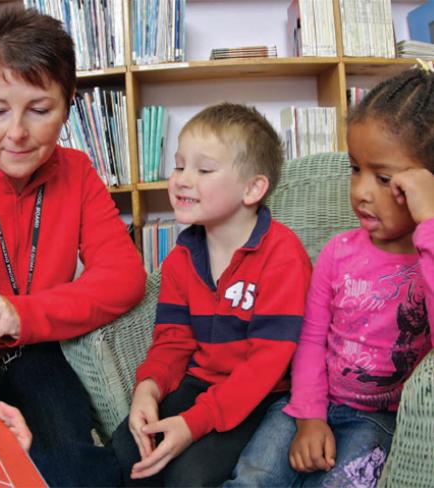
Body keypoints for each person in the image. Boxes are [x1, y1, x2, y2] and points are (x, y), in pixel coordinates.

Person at [0, 8, 146, 487]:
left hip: (36, 348)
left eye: (39, 110)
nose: (16, 132)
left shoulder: (76, 171)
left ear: (68, 106)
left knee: (73, 473)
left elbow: (125, 276)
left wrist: (21, 315)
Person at [224, 63, 434, 488]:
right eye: (356, 169)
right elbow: (311, 338)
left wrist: (428, 219)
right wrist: (309, 416)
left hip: (376, 421)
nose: (360, 191)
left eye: (384, 178)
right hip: (307, 402)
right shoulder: (337, 255)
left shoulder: (425, 259)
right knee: (252, 479)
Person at [111, 102, 312, 487]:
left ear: (253, 188)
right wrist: (147, 389)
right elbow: (172, 342)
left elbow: (264, 367)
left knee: (190, 477)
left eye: (203, 170)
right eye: (179, 165)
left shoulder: (283, 257)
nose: (183, 179)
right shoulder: (181, 258)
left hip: (262, 397)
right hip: (199, 385)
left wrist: (193, 424)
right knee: (125, 453)